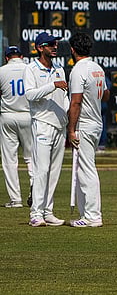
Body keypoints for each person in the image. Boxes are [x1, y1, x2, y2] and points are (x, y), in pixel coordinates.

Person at [24, 32, 69, 227]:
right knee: (41, 170)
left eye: (56, 43)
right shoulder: (31, 69)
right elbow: (30, 95)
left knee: (54, 171)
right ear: (40, 47)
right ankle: (36, 213)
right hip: (42, 123)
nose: (55, 47)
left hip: (60, 125)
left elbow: (65, 96)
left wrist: (68, 114)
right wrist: (52, 85)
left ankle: (48, 211)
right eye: (50, 44)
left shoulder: (60, 68)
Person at [67, 32, 110, 227]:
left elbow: (75, 102)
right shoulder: (97, 68)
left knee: (87, 170)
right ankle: (86, 214)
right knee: (83, 169)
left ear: (73, 50)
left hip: (84, 125)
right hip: (96, 122)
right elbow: (106, 95)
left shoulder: (78, 70)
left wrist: (71, 129)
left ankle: (93, 216)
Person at [0, 46, 33, 208]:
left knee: (9, 160)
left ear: (7, 58)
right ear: (21, 56)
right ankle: (35, 188)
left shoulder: (2, 71)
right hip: (28, 115)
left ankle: (15, 199)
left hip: (8, 116)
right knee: (31, 157)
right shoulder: (29, 69)